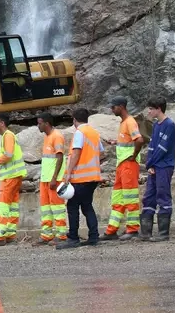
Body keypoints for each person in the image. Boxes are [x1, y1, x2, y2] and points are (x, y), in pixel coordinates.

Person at [57, 108, 104, 249]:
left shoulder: (79, 133)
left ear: (74, 120)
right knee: (87, 206)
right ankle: (94, 237)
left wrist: (68, 174)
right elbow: (101, 152)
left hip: (80, 178)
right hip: (93, 177)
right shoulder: (94, 133)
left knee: (72, 207)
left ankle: (73, 238)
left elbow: (76, 153)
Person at [102, 97, 144, 241]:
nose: (112, 110)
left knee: (130, 198)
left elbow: (139, 140)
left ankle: (132, 230)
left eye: (113, 107)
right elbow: (129, 141)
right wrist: (115, 142)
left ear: (121, 107)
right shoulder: (124, 123)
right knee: (118, 198)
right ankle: (111, 230)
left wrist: (133, 156)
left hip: (128, 165)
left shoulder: (130, 122)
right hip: (122, 165)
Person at [140, 97, 175, 242]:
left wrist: (150, 164)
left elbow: (163, 148)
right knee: (149, 196)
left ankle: (163, 233)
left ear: (158, 109)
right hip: (155, 166)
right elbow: (152, 146)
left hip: (164, 166)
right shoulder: (156, 125)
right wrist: (150, 165)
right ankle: (146, 232)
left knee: (163, 195)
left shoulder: (169, 125)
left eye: (151, 108)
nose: (149, 111)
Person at [0, 113, 26, 245]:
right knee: (12, 205)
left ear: (2, 123)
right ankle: (10, 234)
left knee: (3, 205)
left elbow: (8, 154)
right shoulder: (8, 136)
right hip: (14, 176)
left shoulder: (8, 136)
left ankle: (0, 236)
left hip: (10, 177)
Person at [36, 112, 67, 244]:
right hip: (46, 179)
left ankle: (61, 236)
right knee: (46, 208)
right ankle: (46, 235)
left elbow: (59, 157)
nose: (38, 126)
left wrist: (54, 178)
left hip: (54, 180)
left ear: (47, 124)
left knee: (57, 208)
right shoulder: (48, 137)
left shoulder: (57, 136)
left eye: (39, 123)